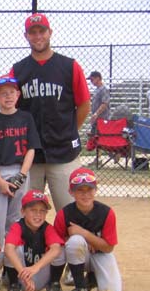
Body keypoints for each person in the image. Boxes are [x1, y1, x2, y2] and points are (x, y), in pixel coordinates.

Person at [10, 13, 91, 212]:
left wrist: (69, 130)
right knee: (28, 213)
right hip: (31, 155)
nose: (38, 36)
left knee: (71, 212)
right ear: (26, 36)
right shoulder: (18, 70)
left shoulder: (69, 66)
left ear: (50, 33)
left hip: (64, 153)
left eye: (42, 31)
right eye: (33, 32)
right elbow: (12, 108)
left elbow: (84, 105)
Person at [0, 75, 40, 247]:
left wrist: (22, 174)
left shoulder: (26, 117)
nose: (8, 96)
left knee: (16, 219)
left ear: (18, 95)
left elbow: (31, 148)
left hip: (19, 170)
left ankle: (12, 263)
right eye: (3, 93)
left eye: (11, 92)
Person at [54, 167, 122, 291]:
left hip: (100, 255)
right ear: (71, 192)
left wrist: (85, 234)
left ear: (95, 190)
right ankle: (80, 288)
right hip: (77, 257)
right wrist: (77, 240)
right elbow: (56, 246)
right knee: (75, 242)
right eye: (80, 190)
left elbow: (109, 248)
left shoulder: (106, 212)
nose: (85, 195)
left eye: (89, 190)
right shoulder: (64, 214)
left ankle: (92, 278)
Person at [3, 189, 66, 291]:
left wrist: (35, 268)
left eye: (42, 211)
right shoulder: (18, 226)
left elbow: (56, 248)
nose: (38, 215)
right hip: (20, 275)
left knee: (60, 249)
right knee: (12, 248)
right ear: (23, 211)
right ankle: (14, 286)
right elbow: (8, 249)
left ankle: (54, 284)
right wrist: (24, 274)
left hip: (40, 274)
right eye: (33, 210)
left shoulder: (47, 228)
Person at [86, 71, 110, 158]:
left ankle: (114, 153)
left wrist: (96, 114)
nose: (91, 82)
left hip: (102, 118)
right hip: (96, 119)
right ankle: (98, 157)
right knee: (95, 137)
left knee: (101, 138)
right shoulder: (97, 90)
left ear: (98, 78)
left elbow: (105, 104)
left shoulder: (104, 89)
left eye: (92, 79)